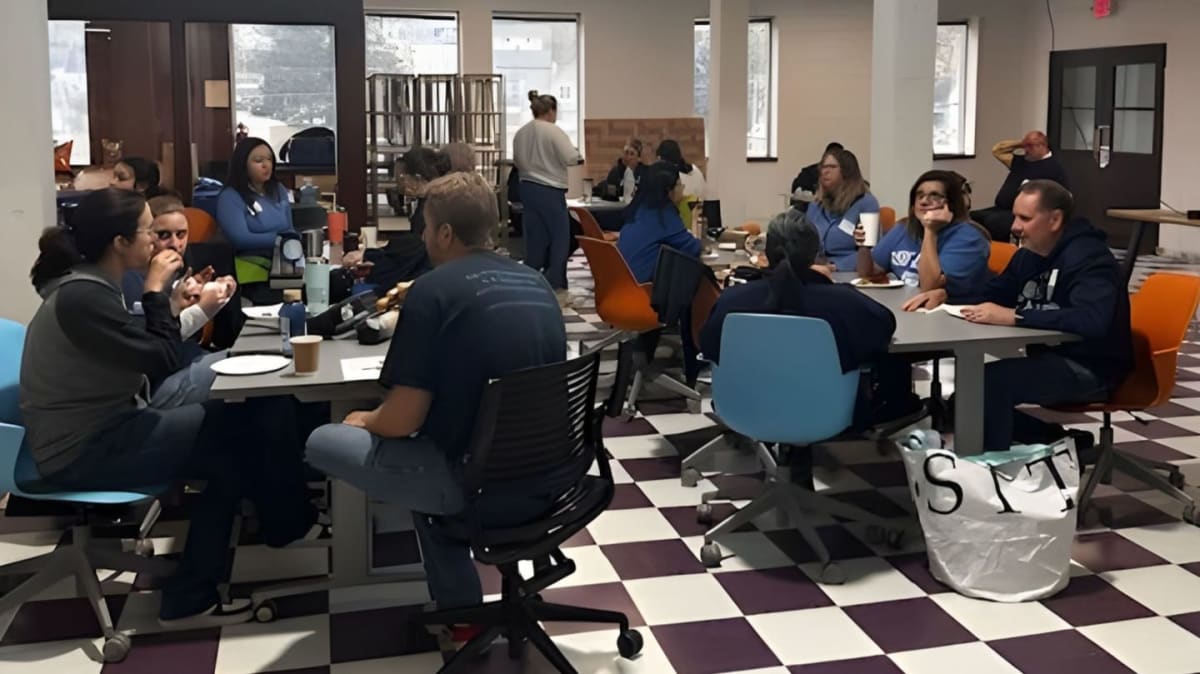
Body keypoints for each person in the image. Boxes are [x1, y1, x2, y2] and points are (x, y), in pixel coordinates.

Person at [20, 188, 315, 628]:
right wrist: (157, 291)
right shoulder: (84, 296)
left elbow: (143, 345)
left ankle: (274, 532)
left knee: (244, 424)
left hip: (108, 428)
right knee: (243, 430)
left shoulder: (89, 286)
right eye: (147, 232)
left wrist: (171, 302)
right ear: (120, 243)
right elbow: (158, 358)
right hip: (85, 449)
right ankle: (223, 572)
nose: (157, 241)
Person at [304, 172, 568, 655]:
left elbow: (401, 420)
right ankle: (462, 611)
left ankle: (461, 614)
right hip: (554, 479)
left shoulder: (432, 290)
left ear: (445, 233)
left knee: (324, 440)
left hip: (476, 487)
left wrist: (363, 419)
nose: (423, 238)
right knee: (431, 452)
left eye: (426, 227)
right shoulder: (537, 282)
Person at [903, 180, 1132, 450]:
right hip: (1050, 356)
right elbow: (994, 293)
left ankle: (991, 466)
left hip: (1091, 367)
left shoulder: (1090, 258)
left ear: (1055, 220)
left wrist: (1016, 316)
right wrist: (946, 295)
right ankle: (1057, 440)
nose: (1014, 226)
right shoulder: (1029, 255)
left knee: (987, 386)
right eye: (1015, 217)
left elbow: (1091, 320)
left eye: (1025, 218)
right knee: (968, 395)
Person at [700, 207, 902, 429]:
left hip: (743, 408)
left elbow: (708, 346)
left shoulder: (732, 301)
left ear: (766, 252)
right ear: (814, 254)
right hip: (827, 412)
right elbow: (884, 327)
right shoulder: (845, 302)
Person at [121, 195, 236, 343]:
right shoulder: (128, 277)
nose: (175, 244)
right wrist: (202, 309)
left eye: (181, 235)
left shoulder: (181, 271)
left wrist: (203, 298)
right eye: (163, 235)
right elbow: (152, 343)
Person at [855, 170, 990, 291]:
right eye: (920, 196)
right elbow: (868, 274)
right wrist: (864, 247)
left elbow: (930, 288)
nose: (924, 201)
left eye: (934, 196)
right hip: (900, 304)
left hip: (942, 308)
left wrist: (930, 230)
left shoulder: (969, 238)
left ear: (951, 204)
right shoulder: (904, 228)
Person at [512, 90, 583, 307]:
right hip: (550, 190)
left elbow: (517, 161)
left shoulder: (521, 133)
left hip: (527, 189)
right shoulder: (553, 131)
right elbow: (571, 157)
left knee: (535, 239)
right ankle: (557, 287)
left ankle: (532, 285)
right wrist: (578, 155)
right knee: (559, 239)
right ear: (551, 111)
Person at [971, 131, 1070, 242]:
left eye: (1030, 146)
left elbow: (1061, 198)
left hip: (1022, 214)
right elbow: (997, 150)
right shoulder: (1020, 161)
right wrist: (1022, 143)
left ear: (1042, 146)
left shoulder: (1053, 167)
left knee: (994, 222)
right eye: (1024, 146)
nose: (1025, 150)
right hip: (1000, 209)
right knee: (971, 217)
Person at [616, 161, 702, 283]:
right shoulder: (664, 216)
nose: (682, 189)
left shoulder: (640, 209)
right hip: (642, 289)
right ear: (669, 191)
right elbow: (693, 248)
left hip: (621, 284)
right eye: (679, 184)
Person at [215, 137, 294, 258]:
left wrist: (293, 239)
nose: (266, 165)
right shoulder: (230, 197)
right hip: (248, 262)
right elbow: (240, 240)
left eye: (269, 159)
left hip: (284, 258)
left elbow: (290, 229)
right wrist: (280, 239)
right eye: (258, 160)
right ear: (242, 164)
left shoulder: (278, 189)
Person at [805, 148, 880, 272]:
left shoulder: (867, 203)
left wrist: (837, 266)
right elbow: (804, 243)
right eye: (823, 167)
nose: (825, 171)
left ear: (847, 172)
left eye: (832, 167)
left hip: (849, 273)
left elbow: (873, 251)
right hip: (816, 270)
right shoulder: (816, 206)